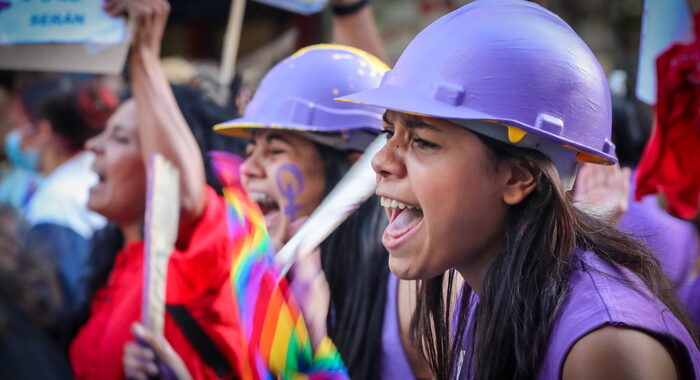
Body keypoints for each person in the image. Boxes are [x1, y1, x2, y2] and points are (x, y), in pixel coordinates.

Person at [338, 0, 700, 379]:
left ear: (518, 177)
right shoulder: (484, 295)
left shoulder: (605, 347)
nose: (381, 161)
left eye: (423, 142)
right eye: (388, 132)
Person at [68, 0, 244, 379]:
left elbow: (174, 189)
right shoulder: (117, 262)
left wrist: (144, 54)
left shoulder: (192, 257)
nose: (92, 145)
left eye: (119, 138)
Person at [8, 77, 114, 315]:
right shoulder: (85, 178)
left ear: (42, 132)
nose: (11, 137)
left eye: (16, 124)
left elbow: (55, 301)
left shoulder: (59, 200)